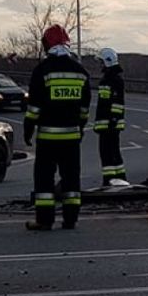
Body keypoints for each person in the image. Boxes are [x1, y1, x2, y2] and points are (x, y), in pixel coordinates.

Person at [24, 24, 91, 231]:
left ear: (48, 45)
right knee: (71, 180)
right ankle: (70, 219)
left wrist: (28, 130)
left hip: (48, 138)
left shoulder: (42, 70)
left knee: (44, 179)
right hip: (71, 138)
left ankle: (45, 220)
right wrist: (78, 128)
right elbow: (84, 108)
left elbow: (34, 107)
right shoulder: (80, 71)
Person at [93, 47, 127, 185]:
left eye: (101, 62)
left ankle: (110, 181)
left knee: (108, 153)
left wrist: (113, 120)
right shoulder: (107, 79)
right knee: (112, 152)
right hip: (107, 124)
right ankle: (118, 179)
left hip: (110, 124)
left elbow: (118, 103)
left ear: (107, 62)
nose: (100, 65)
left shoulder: (114, 80)